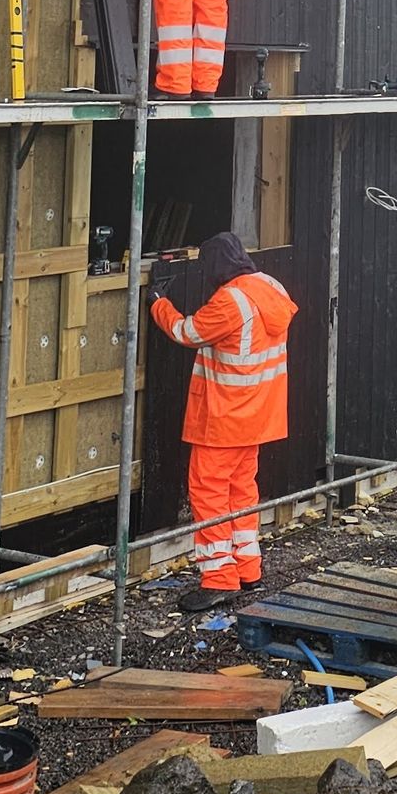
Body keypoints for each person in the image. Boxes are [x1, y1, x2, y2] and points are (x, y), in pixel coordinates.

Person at [149, 230, 298, 611]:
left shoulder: (230, 301)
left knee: (209, 494)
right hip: (258, 417)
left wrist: (158, 303)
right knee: (241, 492)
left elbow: (187, 332)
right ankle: (249, 568)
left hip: (223, 419)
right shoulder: (270, 286)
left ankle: (218, 578)